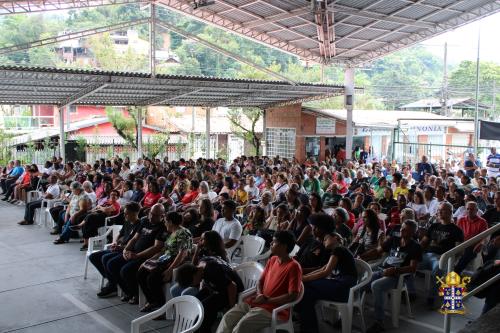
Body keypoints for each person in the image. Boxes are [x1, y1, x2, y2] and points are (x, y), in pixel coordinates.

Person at [216, 230, 302, 333]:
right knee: (227, 318)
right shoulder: (273, 260)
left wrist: (267, 300)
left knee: (241, 327)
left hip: (273, 309)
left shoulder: (293, 266)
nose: (270, 244)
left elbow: (292, 296)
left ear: (284, 246)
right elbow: (260, 281)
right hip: (257, 302)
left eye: (274, 242)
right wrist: (260, 294)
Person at [362, 220, 422, 333]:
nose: (401, 230)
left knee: (376, 285)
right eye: (402, 228)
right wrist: (362, 257)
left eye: (405, 229)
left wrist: (395, 270)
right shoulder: (394, 240)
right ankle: (355, 308)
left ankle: (379, 322)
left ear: (412, 232)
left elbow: (413, 268)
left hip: (397, 277)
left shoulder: (415, 247)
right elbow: (377, 251)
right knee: (362, 280)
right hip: (383, 270)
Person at [105, 204, 168, 304]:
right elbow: (134, 238)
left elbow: (156, 247)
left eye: (156, 215)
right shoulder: (145, 221)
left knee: (125, 271)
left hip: (145, 257)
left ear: (162, 216)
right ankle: (127, 291)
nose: (151, 217)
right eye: (151, 213)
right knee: (111, 264)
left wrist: (137, 255)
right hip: (133, 252)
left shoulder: (163, 227)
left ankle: (136, 295)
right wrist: (126, 249)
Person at [296, 232, 357, 333]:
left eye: (326, 239)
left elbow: (325, 272)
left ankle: (305, 324)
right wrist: (304, 277)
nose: (323, 242)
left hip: (344, 288)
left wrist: (303, 279)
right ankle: (308, 328)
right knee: (307, 294)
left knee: (304, 286)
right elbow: (322, 269)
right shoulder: (336, 251)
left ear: (335, 238)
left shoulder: (339, 249)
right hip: (340, 287)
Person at [137, 211, 192, 311]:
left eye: (166, 221)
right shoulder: (172, 233)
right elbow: (164, 251)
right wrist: (148, 261)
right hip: (164, 260)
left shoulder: (183, 233)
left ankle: (161, 307)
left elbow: (182, 254)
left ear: (170, 222)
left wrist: (170, 270)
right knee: (141, 273)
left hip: (174, 263)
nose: (165, 223)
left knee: (152, 278)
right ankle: (152, 301)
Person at [173, 257, 245, 332]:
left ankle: (203, 330)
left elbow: (232, 286)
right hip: (218, 288)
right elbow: (204, 282)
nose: (193, 286)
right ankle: (194, 328)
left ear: (194, 276)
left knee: (205, 306)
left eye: (191, 284)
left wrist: (231, 308)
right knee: (196, 301)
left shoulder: (212, 270)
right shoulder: (201, 265)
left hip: (231, 290)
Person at [91, 202, 142, 298]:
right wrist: (115, 242)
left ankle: (113, 285)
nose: (124, 215)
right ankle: (112, 281)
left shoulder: (139, 225)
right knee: (93, 256)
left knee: (107, 260)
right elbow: (119, 234)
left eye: (127, 213)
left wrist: (121, 247)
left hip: (126, 250)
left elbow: (134, 244)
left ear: (134, 213)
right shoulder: (127, 222)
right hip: (119, 247)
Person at [419, 202, 464, 307]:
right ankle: (409, 291)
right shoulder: (434, 226)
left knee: (438, 270)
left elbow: (459, 250)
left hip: (441, 258)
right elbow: (423, 242)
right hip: (427, 255)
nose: (439, 212)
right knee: (408, 262)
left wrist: (451, 261)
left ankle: (431, 296)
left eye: (442, 210)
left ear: (450, 212)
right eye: (438, 210)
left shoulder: (456, 230)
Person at [455, 202, 488, 274]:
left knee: (468, 251)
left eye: (472, 209)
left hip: (473, 246)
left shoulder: (482, 222)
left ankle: (456, 272)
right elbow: (456, 234)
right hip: (461, 244)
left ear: (477, 210)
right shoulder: (461, 220)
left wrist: (481, 244)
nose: (469, 211)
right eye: (468, 209)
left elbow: (484, 237)